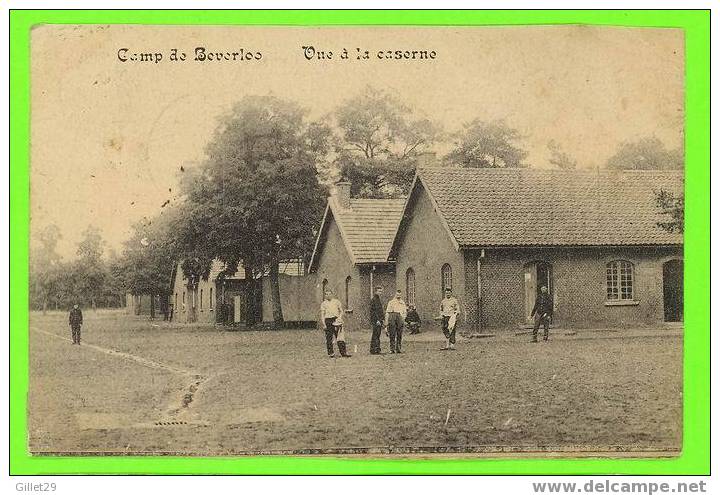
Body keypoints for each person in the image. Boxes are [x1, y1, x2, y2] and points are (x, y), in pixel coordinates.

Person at [319, 289, 351, 358]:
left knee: (339, 337)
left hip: (336, 320)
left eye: (329, 294)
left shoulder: (336, 302)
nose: (328, 295)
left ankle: (343, 353)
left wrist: (339, 318)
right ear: (325, 295)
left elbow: (341, 311)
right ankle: (331, 353)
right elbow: (322, 315)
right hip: (328, 321)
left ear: (332, 294)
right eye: (326, 294)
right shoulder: (323, 303)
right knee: (329, 338)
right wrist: (324, 324)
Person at [385, 289, 407, 354]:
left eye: (400, 294)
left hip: (400, 317)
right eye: (397, 294)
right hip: (393, 316)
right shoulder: (391, 302)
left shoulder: (402, 303)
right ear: (395, 294)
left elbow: (404, 312)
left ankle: (398, 348)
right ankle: (392, 349)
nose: (398, 296)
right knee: (392, 333)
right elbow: (387, 312)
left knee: (399, 334)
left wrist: (403, 318)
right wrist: (387, 321)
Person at [369, 286, 384, 354]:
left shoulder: (378, 299)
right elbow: (374, 311)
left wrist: (382, 319)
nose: (380, 293)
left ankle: (376, 349)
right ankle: (374, 349)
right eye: (379, 291)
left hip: (379, 320)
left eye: (381, 291)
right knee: (376, 334)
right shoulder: (374, 299)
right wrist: (377, 320)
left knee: (377, 334)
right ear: (376, 291)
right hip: (376, 320)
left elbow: (380, 311)